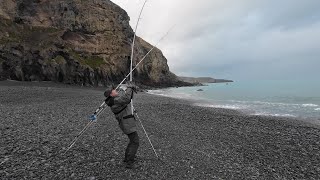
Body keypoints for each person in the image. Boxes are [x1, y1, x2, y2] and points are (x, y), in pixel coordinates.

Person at [104, 82, 139, 169]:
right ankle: (129, 162)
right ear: (111, 94)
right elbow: (126, 99)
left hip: (126, 122)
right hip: (127, 123)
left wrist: (129, 89)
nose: (116, 90)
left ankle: (127, 158)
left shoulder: (114, 100)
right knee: (135, 141)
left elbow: (126, 97)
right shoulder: (115, 101)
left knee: (132, 140)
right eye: (114, 90)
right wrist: (130, 88)